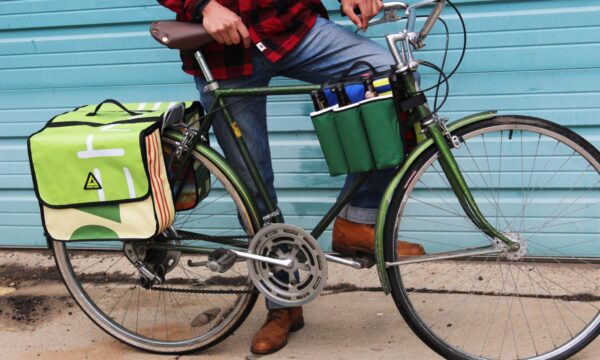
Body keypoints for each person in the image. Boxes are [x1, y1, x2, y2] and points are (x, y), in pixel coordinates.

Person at [158, 0, 425, 354]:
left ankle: (356, 222)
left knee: (390, 75)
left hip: (289, 25)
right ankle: (282, 304)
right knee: (253, 191)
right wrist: (204, 6)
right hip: (222, 45)